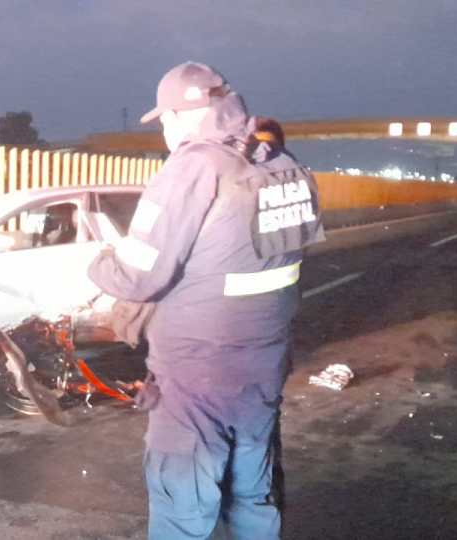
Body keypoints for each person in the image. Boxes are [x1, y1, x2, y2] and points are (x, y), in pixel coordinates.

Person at [87, 62, 323, 538]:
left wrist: (95, 264)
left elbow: (137, 275)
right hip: (262, 367)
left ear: (183, 115)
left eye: (166, 120)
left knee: (184, 507)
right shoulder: (281, 164)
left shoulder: (194, 166)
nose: (166, 133)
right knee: (253, 497)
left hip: (197, 375)